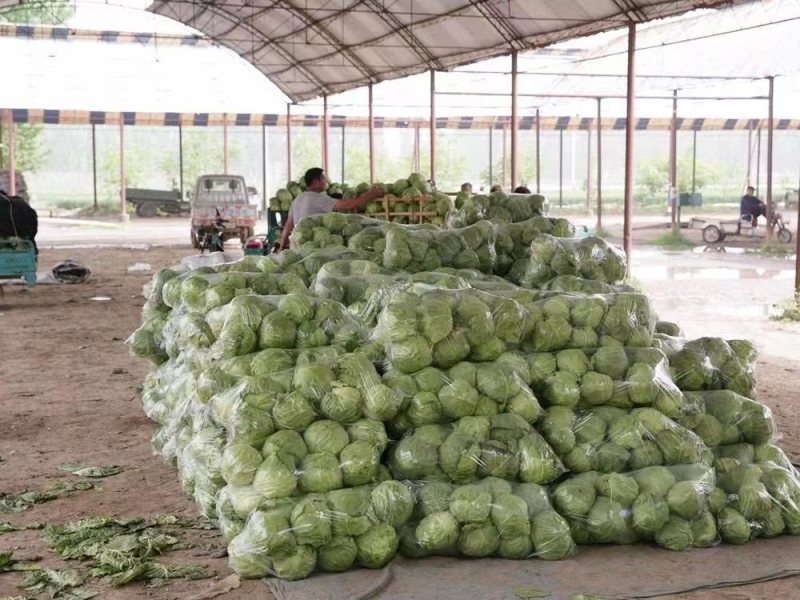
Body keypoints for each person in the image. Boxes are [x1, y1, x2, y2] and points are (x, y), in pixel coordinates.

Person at [276, 168, 383, 251]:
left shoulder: (298, 199)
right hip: (311, 247)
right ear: (315, 181)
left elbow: (288, 225)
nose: (325, 181)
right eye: (323, 178)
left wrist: (281, 247)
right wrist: (370, 195)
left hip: (296, 247)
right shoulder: (316, 198)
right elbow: (348, 205)